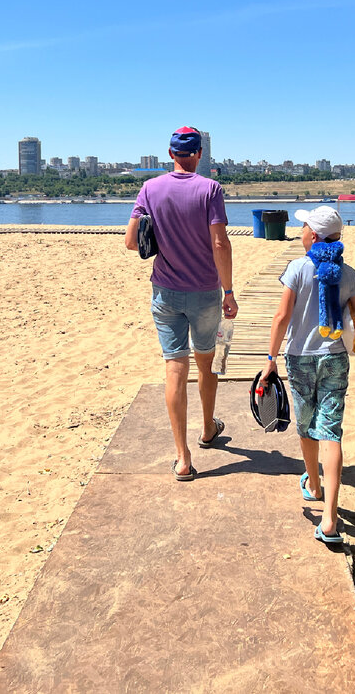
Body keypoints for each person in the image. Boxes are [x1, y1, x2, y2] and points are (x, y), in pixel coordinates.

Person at [125, 126, 237, 481]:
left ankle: (182, 457)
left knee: (175, 368)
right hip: (204, 292)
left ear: (170, 154)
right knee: (207, 364)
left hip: (166, 291)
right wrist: (229, 291)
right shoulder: (210, 189)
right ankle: (207, 429)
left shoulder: (150, 188)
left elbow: (131, 242)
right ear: (199, 154)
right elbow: (220, 244)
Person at [258, 206, 355, 543]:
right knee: (331, 431)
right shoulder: (347, 273)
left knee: (307, 426)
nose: (300, 231)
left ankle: (314, 484)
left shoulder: (297, 269)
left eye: (304, 226)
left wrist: (270, 358)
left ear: (315, 236)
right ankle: (331, 519)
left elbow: (281, 317)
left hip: (301, 358)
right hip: (335, 358)